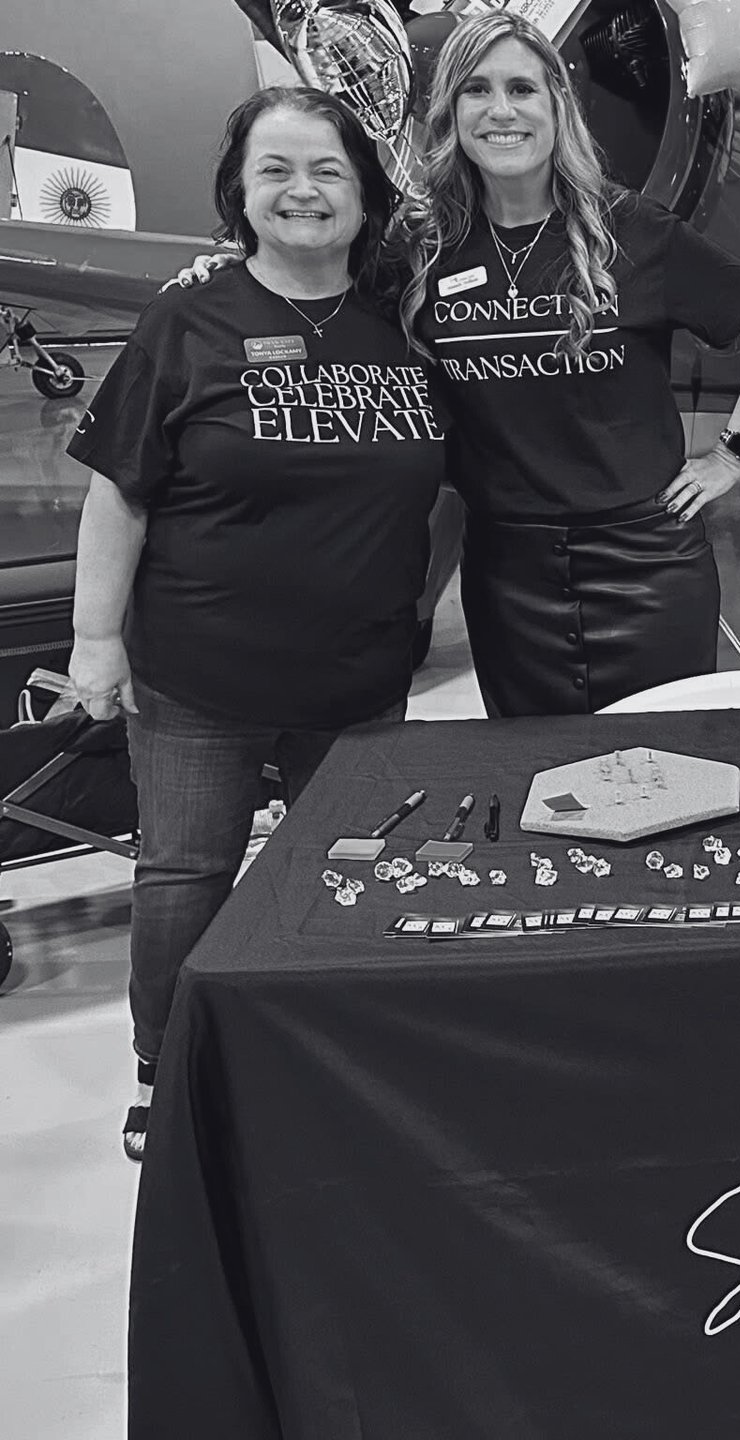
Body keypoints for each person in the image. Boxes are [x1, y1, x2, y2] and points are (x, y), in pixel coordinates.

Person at [66, 87, 447, 1160]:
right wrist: (97, 643)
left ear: (365, 195)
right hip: (201, 683)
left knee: (355, 875)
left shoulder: (404, 332)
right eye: (274, 169)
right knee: (186, 879)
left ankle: (335, 1056)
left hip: (361, 683)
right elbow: (119, 492)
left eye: (326, 169)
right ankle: (167, 1071)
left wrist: (416, 607)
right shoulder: (189, 320)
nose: (302, 190)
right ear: (239, 192)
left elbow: (450, 492)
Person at [401, 10, 740, 716]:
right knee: (539, 787)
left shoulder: (630, 230)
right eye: (477, 89)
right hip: (509, 576)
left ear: (558, 105)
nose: (502, 111)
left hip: (646, 565)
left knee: (667, 780)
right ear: (451, 112)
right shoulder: (425, 248)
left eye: (523, 89)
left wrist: (731, 454)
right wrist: (222, 275)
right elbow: (311, 287)